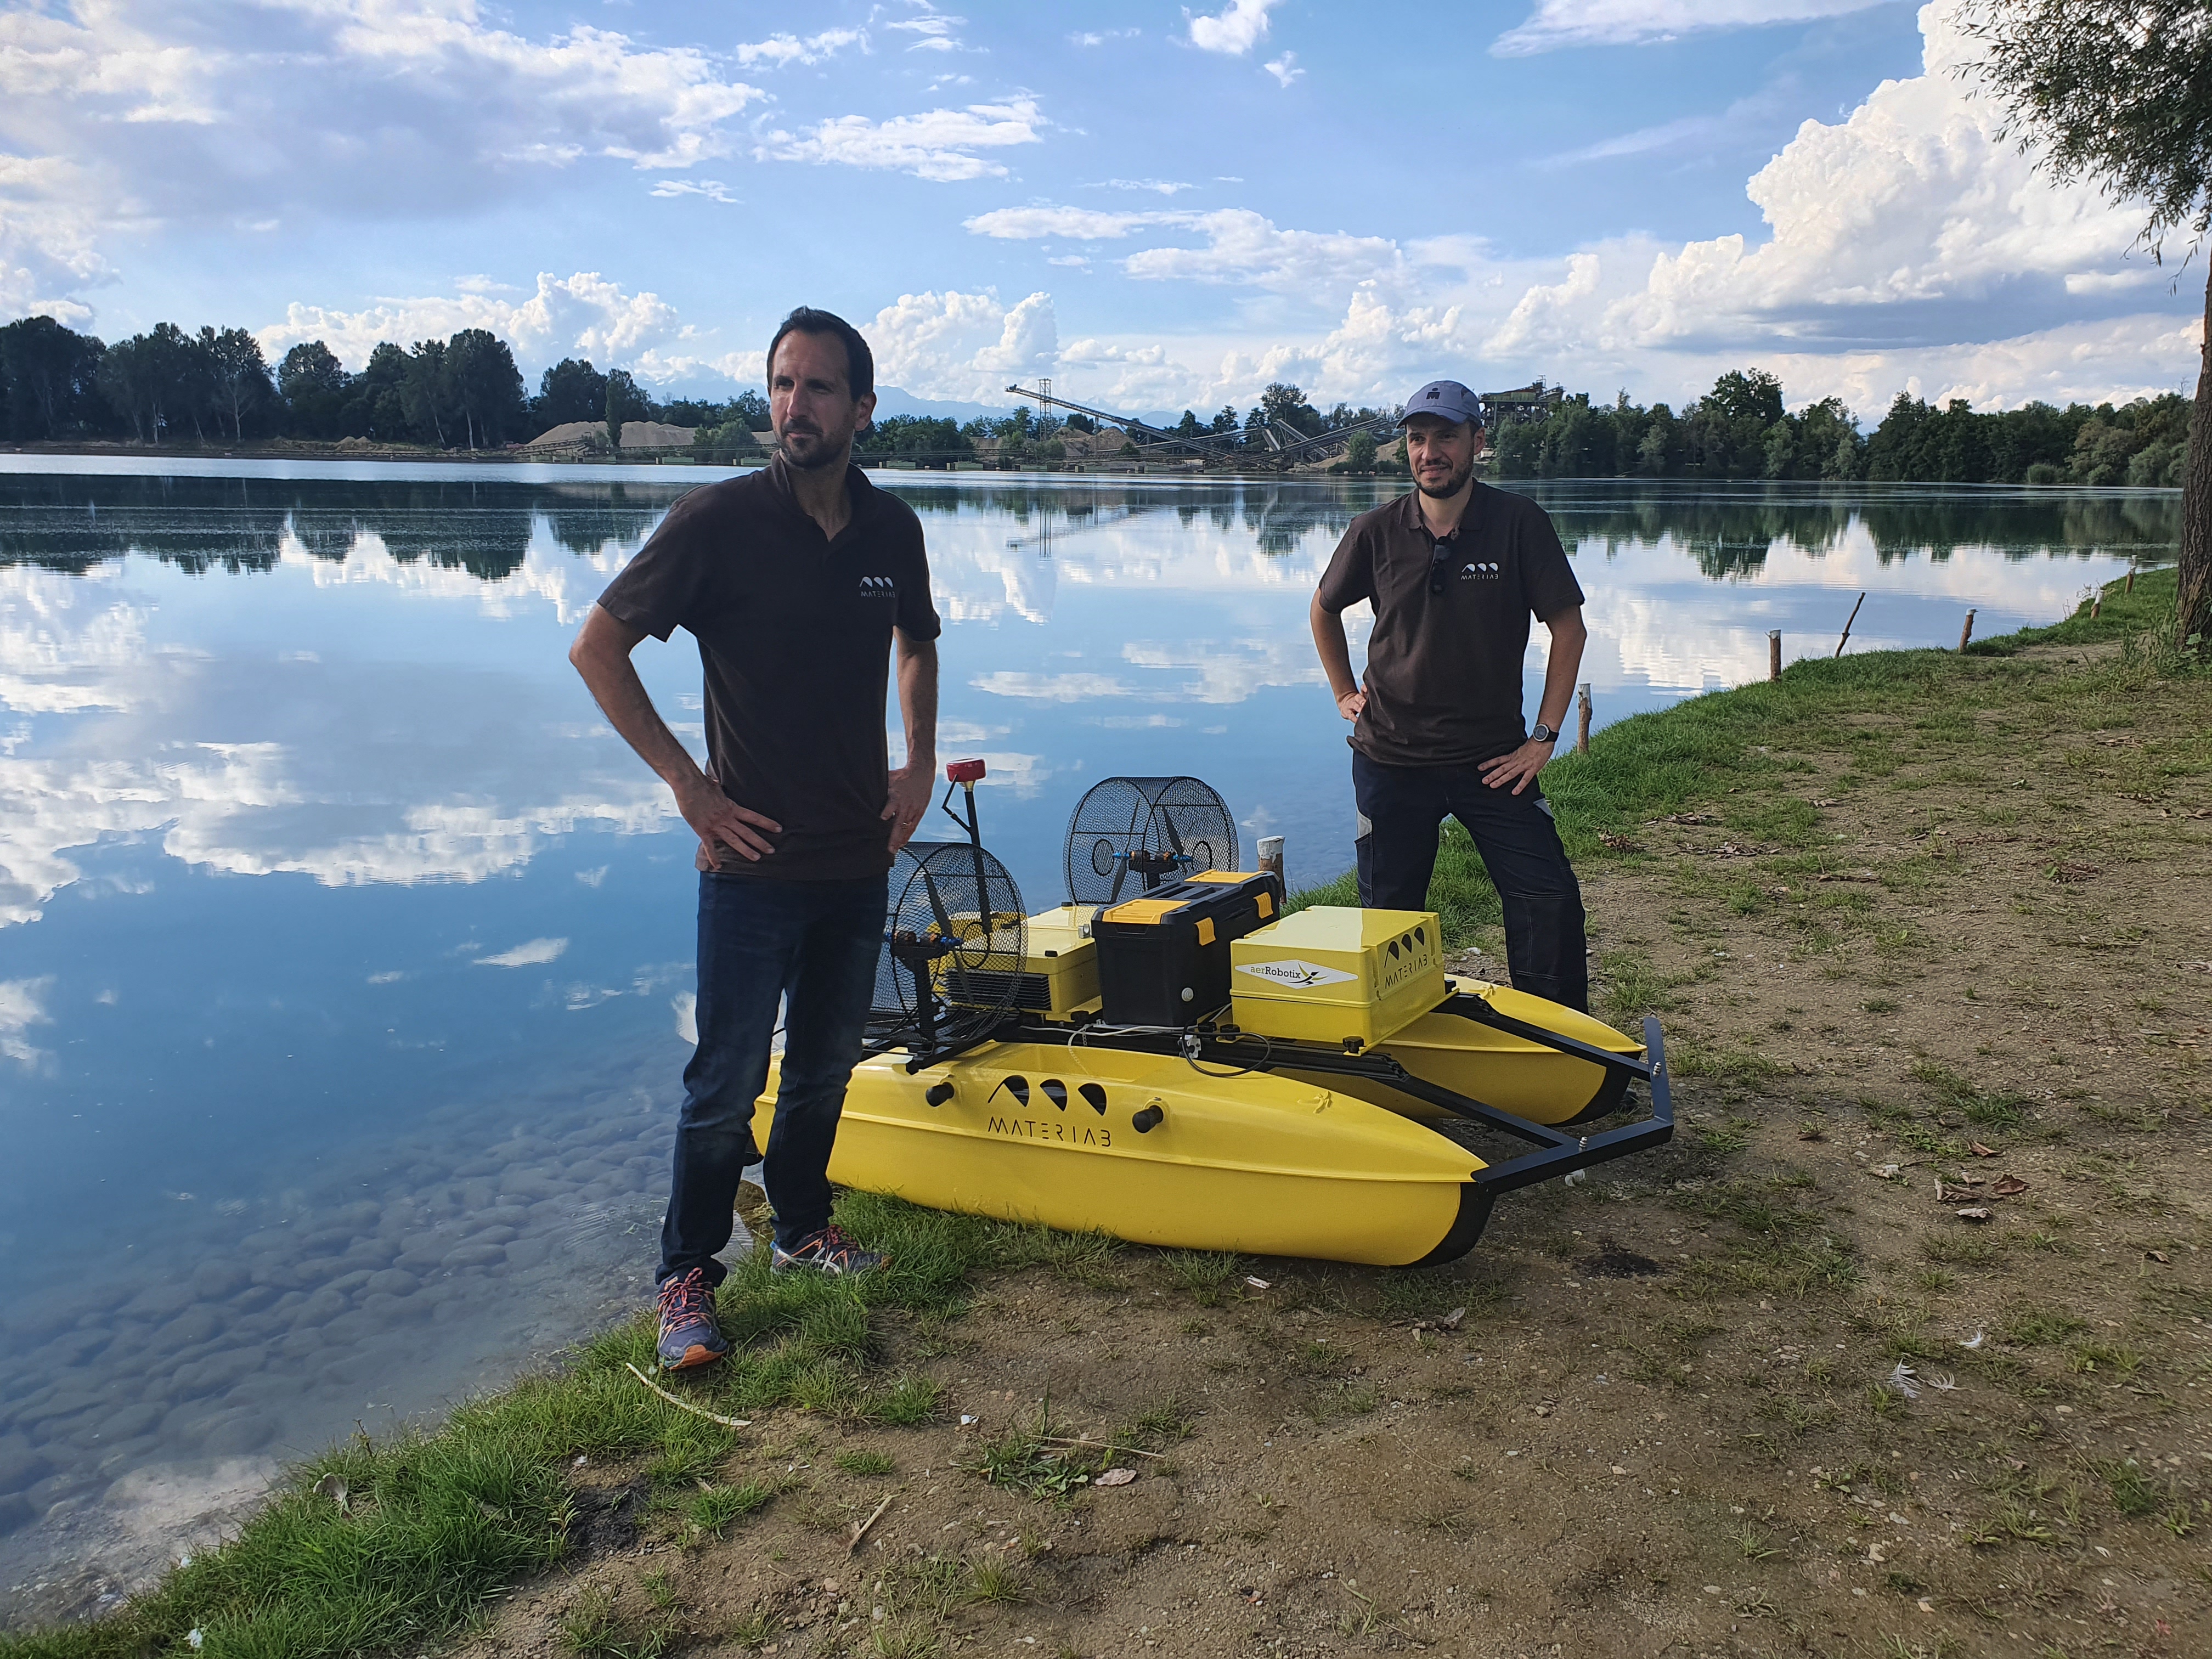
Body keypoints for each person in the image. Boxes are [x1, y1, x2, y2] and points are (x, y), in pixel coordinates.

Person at [569, 307, 941, 1370]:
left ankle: (802, 1228)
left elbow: (917, 641)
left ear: (862, 409)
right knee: (725, 1080)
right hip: (750, 865)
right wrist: (688, 787)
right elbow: (598, 650)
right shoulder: (717, 522)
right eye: (782, 384)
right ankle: (685, 1275)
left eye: (818, 387)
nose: (794, 405)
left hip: (857, 855)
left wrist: (919, 762)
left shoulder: (891, 530)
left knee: (823, 1066)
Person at [1308, 377, 1592, 1012]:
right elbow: (1323, 609)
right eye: (1417, 439)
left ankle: (1560, 1037)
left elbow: (1568, 629)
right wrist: (1343, 691)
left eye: (1445, 437)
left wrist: (1543, 738)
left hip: (1493, 761)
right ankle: (1400, 1034)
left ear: (1477, 442)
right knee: (1390, 919)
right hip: (1390, 760)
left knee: (1548, 900)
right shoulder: (1375, 530)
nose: (1429, 452)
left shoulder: (1518, 524)